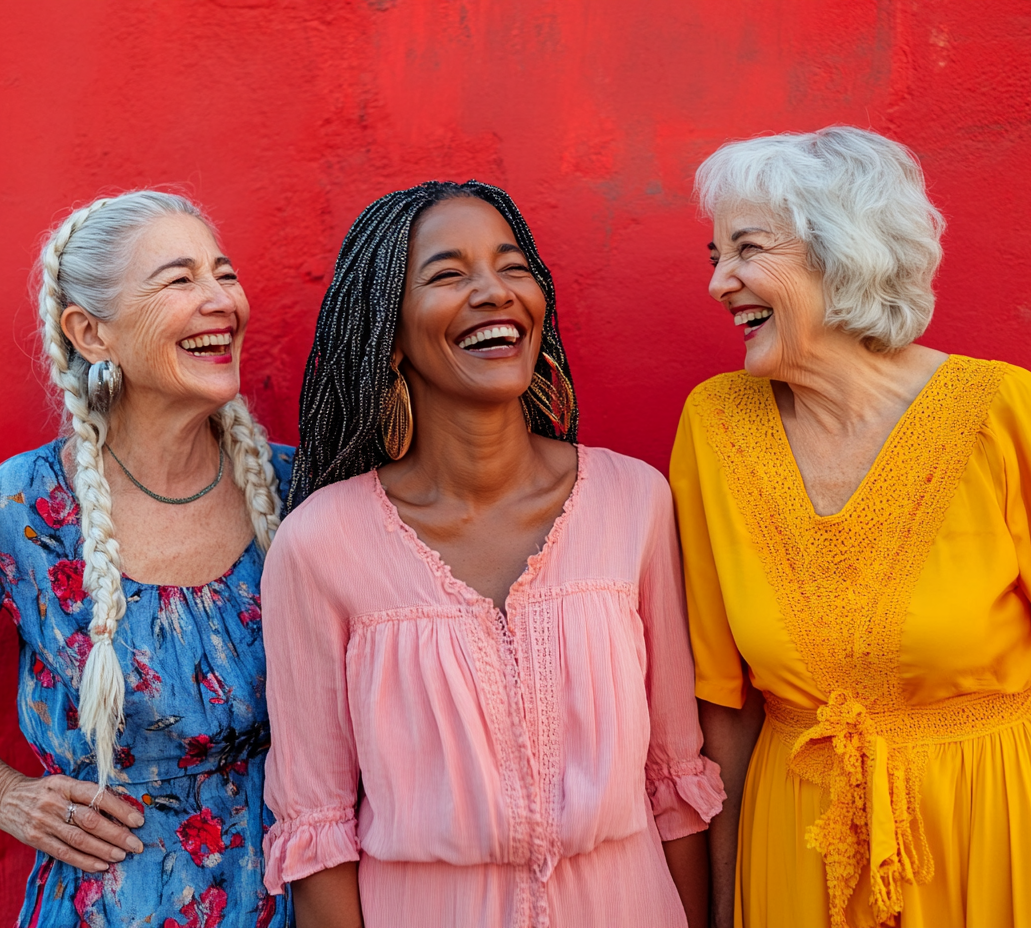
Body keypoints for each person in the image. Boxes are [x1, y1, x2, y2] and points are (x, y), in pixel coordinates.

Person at [670, 125, 1031, 928]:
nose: (719, 283)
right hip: (801, 855)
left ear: (844, 254)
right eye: (714, 257)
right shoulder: (715, 424)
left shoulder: (999, 409)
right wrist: (724, 903)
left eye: (746, 249)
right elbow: (724, 703)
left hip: (999, 836)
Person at [260, 180, 724, 928]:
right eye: (448, 274)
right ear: (387, 329)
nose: (494, 292)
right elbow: (318, 837)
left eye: (513, 267)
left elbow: (674, 786)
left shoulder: (634, 502)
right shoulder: (319, 545)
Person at [0, 191, 293, 927]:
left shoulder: (296, 493)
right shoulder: (22, 510)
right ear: (90, 333)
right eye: (179, 279)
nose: (220, 301)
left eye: (222, 273)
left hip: (290, 902)